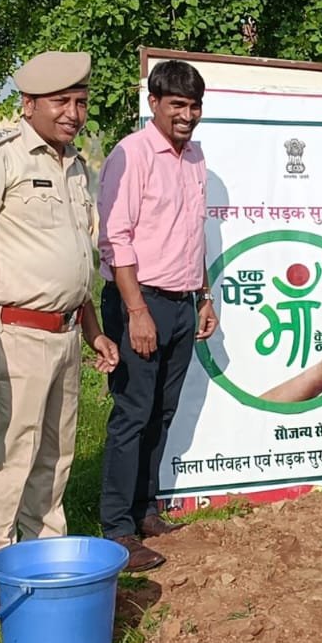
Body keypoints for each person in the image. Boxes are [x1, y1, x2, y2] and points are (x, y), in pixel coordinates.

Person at [0, 51, 119, 621]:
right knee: (9, 461)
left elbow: (76, 259)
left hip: (68, 333)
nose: (74, 113)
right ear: (29, 104)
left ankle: (46, 565)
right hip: (13, 333)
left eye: (80, 102)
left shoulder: (78, 167)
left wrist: (94, 328)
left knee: (55, 457)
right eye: (61, 102)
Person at [98, 59, 218, 572]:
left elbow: (194, 233)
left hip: (183, 300)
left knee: (162, 412)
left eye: (194, 106)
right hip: (138, 300)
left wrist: (206, 295)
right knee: (132, 413)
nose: (187, 115)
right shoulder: (130, 155)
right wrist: (135, 311)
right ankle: (117, 527)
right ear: (154, 104)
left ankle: (146, 510)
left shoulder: (195, 158)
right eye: (177, 105)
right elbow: (115, 239)